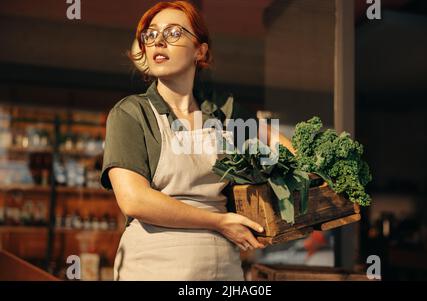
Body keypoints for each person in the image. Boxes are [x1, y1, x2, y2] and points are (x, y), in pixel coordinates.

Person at [100, 0, 294, 280]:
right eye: (151, 34)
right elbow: (134, 200)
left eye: (174, 33)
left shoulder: (222, 115)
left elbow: (282, 149)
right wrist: (218, 222)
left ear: (200, 50)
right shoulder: (132, 113)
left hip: (223, 269)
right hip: (155, 267)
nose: (159, 42)